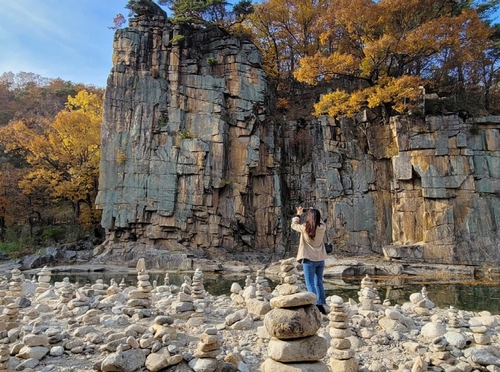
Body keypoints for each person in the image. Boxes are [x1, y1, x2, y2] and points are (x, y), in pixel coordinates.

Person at [291, 206, 327, 314]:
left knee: (310, 283)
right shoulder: (322, 227)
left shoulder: (305, 227)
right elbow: (319, 219)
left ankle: (315, 304)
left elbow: (293, 225)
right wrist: (314, 211)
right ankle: (321, 304)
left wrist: (298, 214)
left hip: (308, 259)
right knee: (319, 282)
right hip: (320, 259)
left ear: (309, 218)